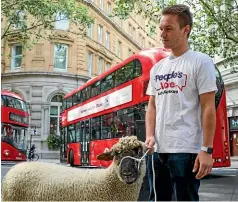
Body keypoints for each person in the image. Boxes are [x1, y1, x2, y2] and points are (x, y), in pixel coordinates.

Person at [145, 4, 217, 201]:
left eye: (168, 29)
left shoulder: (201, 62)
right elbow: (152, 105)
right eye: (161, 28)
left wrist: (206, 150)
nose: (162, 34)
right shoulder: (156, 69)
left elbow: (208, 107)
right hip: (158, 150)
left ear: (186, 30)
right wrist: (150, 135)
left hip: (186, 150)